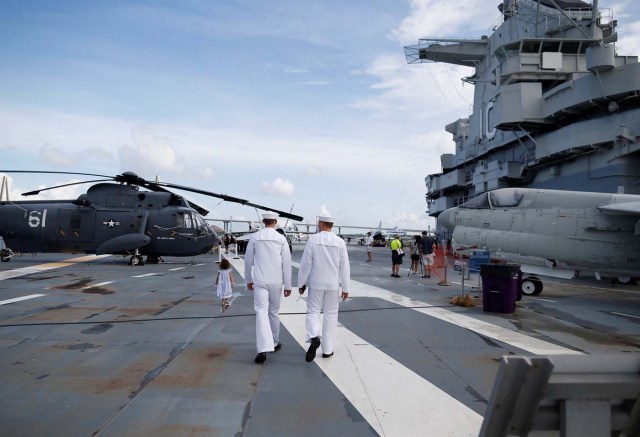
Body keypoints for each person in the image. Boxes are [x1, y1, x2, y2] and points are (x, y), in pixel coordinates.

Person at [298, 215, 350, 362]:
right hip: (333, 285)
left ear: (321, 224)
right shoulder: (340, 242)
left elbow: (305, 264)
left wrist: (301, 283)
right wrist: (345, 287)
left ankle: (314, 336)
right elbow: (345, 267)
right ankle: (327, 350)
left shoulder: (313, 240)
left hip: (316, 283)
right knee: (331, 316)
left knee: (313, 311)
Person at [244, 211, 292, 364]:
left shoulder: (255, 237)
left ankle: (263, 349)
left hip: (260, 280)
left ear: (263, 221)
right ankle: (275, 342)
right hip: (276, 281)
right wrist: (288, 284)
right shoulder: (281, 238)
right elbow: (287, 263)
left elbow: (248, 260)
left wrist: (248, 279)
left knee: (261, 313)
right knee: (273, 312)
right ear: (275, 222)